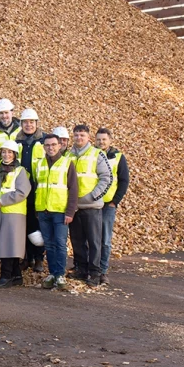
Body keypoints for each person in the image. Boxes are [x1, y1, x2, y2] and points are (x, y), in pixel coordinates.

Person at [69, 124, 113, 286]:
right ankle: (81, 270)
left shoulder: (97, 154)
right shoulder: (68, 155)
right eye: (76, 135)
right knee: (77, 240)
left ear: (88, 137)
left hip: (92, 207)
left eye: (82, 135)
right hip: (74, 207)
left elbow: (107, 177)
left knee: (94, 241)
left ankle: (94, 273)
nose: (79, 138)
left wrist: (94, 196)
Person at [33, 133, 77, 291]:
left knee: (60, 243)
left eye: (53, 145)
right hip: (43, 211)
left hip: (60, 211)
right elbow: (37, 186)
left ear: (60, 145)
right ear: (44, 147)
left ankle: (60, 275)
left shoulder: (67, 163)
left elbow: (73, 189)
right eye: (47, 145)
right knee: (49, 245)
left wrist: (70, 212)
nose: (50, 148)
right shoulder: (39, 164)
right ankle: (52, 273)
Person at [0, 140, 31, 288]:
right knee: (6, 244)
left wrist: (2, 201)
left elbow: (22, 192)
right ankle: (16, 276)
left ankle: (6, 276)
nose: (6, 155)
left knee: (9, 245)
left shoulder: (20, 171)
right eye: (4, 152)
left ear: (15, 154)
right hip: (0, 212)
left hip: (14, 213)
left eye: (9, 152)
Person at [95, 128, 129, 284]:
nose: (101, 142)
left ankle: (102, 271)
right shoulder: (91, 155)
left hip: (108, 204)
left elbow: (123, 181)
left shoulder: (118, 157)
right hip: (92, 203)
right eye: (99, 139)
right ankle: (90, 269)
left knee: (105, 240)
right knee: (91, 239)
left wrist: (115, 201)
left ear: (110, 140)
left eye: (104, 139)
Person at [16, 108, 46, 273]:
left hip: (38, 189)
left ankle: (39, 258)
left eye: (31, 122)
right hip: (21, 189)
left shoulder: (44, 141)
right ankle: (26, 257)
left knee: (38, 224)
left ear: (36, 123)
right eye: (25, 122)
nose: (28, 125)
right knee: (24, 224)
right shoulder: (17, 141)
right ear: (21, 124)